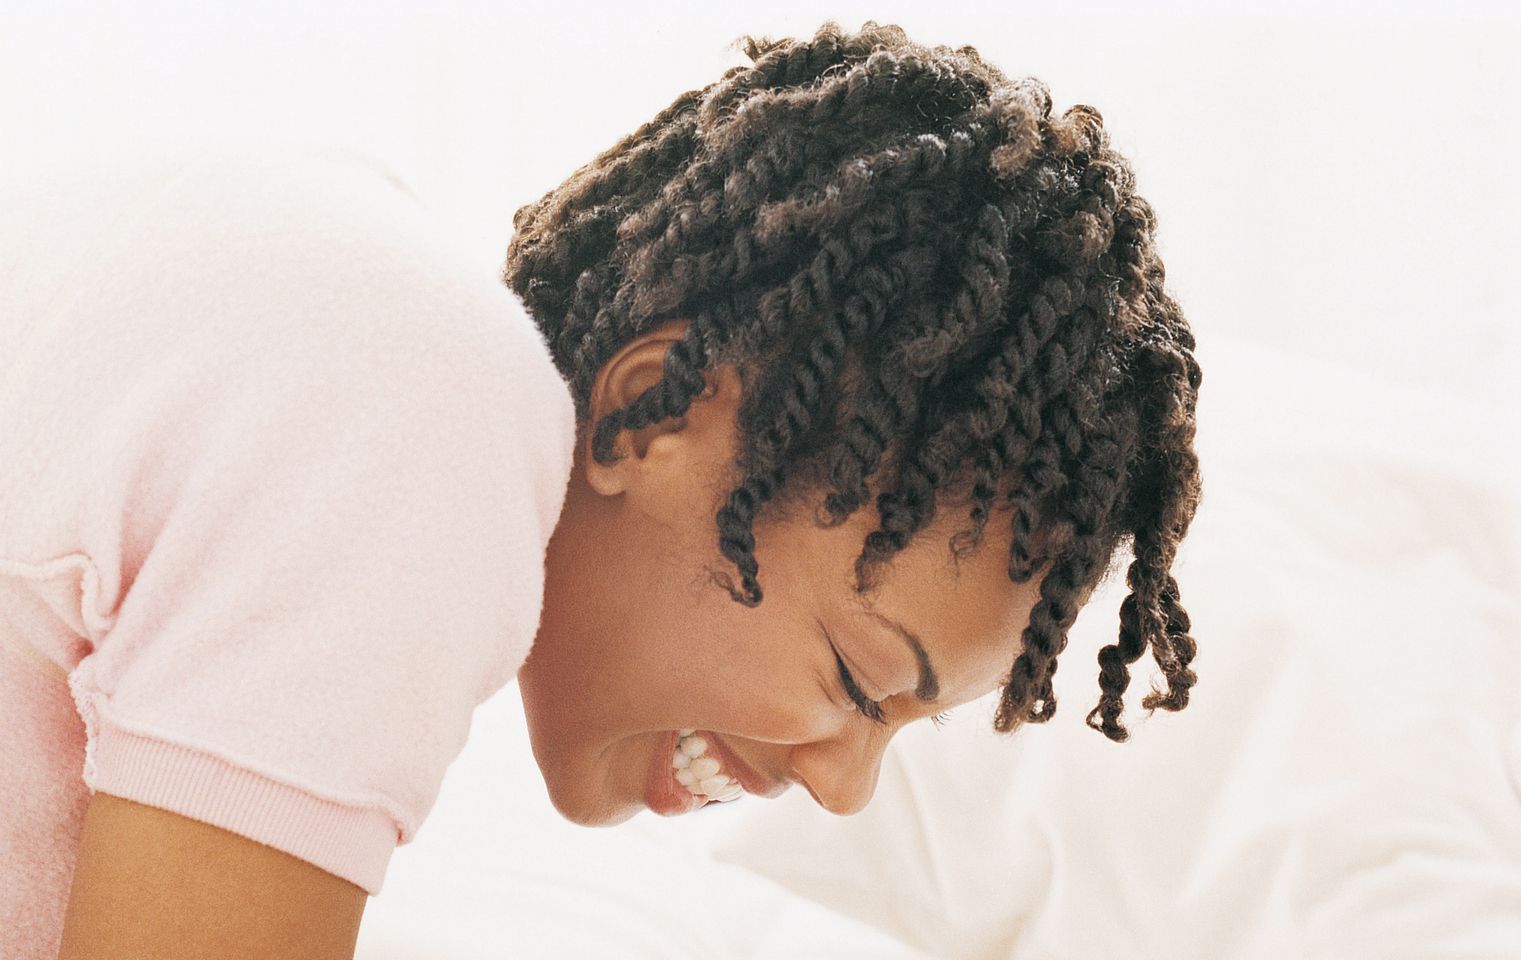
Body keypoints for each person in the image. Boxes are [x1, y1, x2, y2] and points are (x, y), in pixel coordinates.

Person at [0, 18, 1203, 960]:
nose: (843, 789)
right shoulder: (410, 404)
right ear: (657, 412)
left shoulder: (336, 295)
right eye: (854, 677)